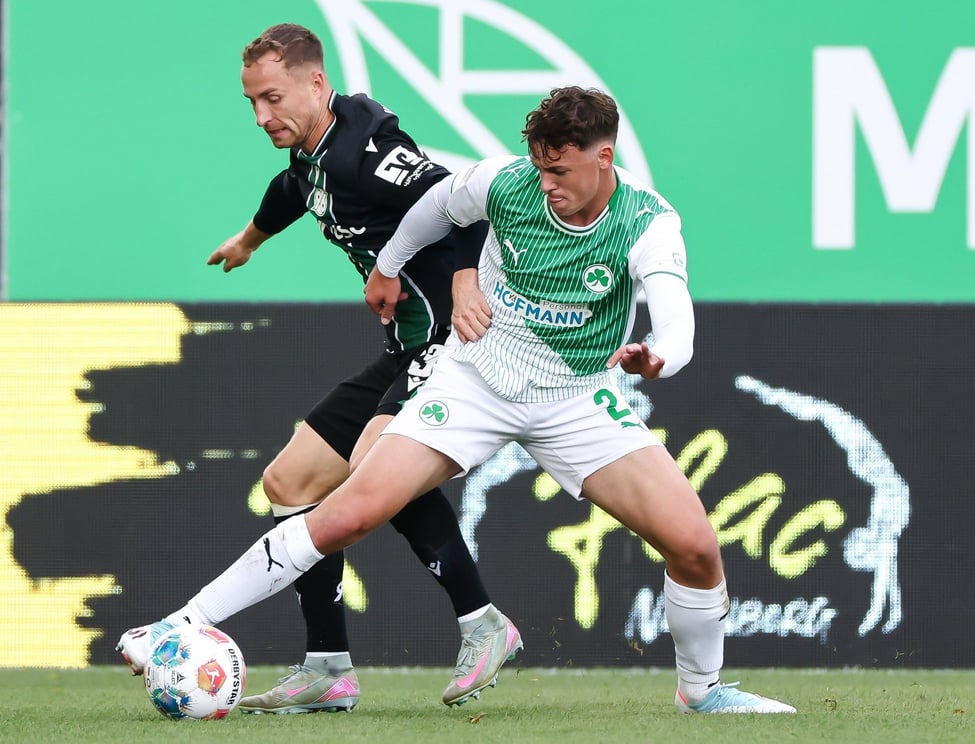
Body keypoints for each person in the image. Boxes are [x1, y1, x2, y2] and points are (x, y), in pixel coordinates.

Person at [120, 85, 796, 714]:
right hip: (473, 380)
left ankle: (701, 694)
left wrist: (660, 357)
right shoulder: (505, 182)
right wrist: (390, 267)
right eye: (540, 168)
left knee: (696, 549)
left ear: (604, 158)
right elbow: (435, 209)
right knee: (349, 511)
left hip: (576, 398)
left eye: (560, 172)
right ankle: (177, 625)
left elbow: (676, 319)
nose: (547, 184)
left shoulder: (647, 221)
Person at [117, 23, 521, 713]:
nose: (260, 116)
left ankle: (483, 623)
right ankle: (327, 668)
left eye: (271, 98)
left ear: (314, 81)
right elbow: (291, 189)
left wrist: (460, 281)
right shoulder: (312, 155)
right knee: (290, 479)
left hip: (452, 341)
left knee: (375, 461)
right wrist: (249, 240)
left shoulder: (367, 150)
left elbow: (462, 202)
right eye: (250, 102)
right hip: (407, 345)